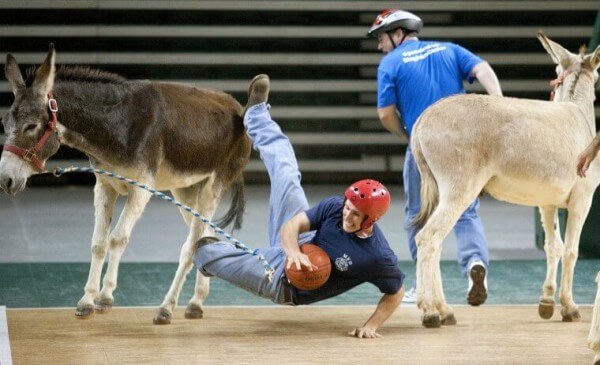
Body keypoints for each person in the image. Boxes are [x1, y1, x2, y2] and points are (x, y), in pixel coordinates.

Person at [194, 74, 406, 339]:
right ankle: (256, 115)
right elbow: (293, 225)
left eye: (355, 215)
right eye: (347, 207)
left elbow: (396, 291)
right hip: (299, 244)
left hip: (284, 283)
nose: (346, 214)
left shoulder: (377, 257)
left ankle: (213, 260)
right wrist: (292, 251)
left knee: (204, 252)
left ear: (370, 221)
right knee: (287, 173)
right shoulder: (335, 207)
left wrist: (371, 326)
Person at [367, 9, 503, 305]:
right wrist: (498, 105)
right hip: (463, 144)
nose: (380, 46)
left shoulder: (390, 63)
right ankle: (475, 265)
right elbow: (482, 69)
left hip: (425, 147)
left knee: (419, 213)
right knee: (465, 209)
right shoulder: (450, 49)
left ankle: (424, 283)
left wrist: (408, 134)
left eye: (381, 38)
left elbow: (385, 113)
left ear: (398, 34)